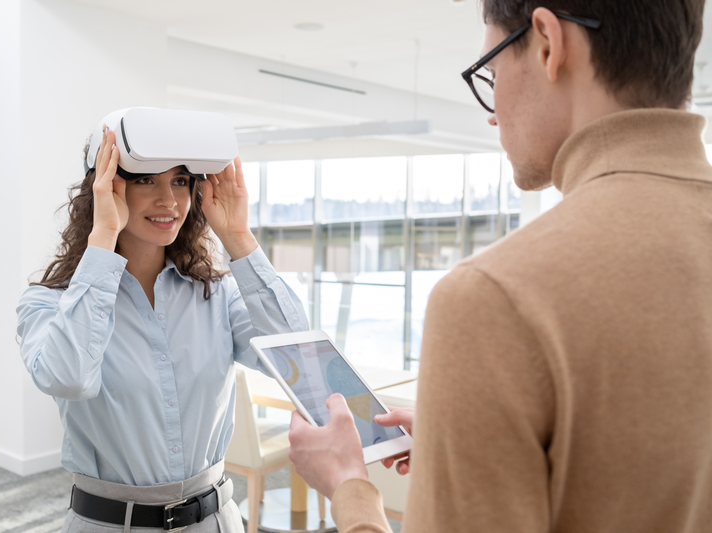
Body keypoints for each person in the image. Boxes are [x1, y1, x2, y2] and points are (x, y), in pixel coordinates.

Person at [288, 1, 712, 532]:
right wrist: (481, 436)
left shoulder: (495, 297)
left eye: (489, 71)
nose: (492, 111)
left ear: (548, 43)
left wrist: (349, 487)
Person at [17, 126, 308, 532]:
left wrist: (238, 237)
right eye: (145, 181)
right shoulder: (50, 304)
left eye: (180, 181)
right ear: (105, 189)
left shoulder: (217, 294)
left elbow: (297, 357)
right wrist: (104, 236)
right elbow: (68, 379)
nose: (169, 200)